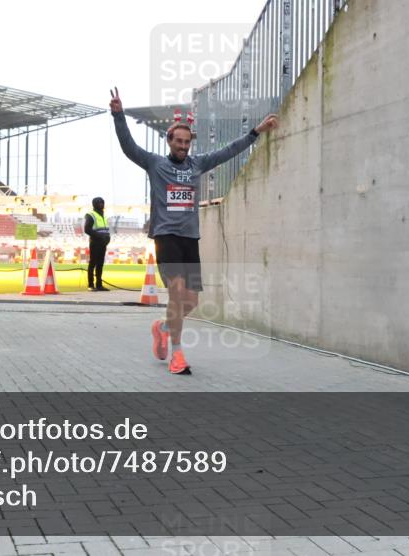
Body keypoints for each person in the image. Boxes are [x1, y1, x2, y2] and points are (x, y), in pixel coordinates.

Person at [109, 87, 278, 374]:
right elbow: (129, 147)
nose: (183, 146)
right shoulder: (155, 164)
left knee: (191, 301)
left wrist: (255, 132)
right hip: (166, 237)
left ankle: (162, 327)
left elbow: (227, 152)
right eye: (179, 141)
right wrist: (118, 116)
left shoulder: (197, 164)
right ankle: (178, 355)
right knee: (176, 293)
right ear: (169, 140)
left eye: (187, 142)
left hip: (190, 239)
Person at [84, 197, 111, 291]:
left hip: (103, 243)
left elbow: (105, 229)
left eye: (102, 202)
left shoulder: (104, 215)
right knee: (93, 263)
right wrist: (99, 236)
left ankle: (99, 284)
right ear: (94, 204)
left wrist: (107, 238)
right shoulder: (91, 215)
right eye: (99, 203)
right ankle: (91, 285)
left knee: (100, 264)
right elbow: (87, 229)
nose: (101, 204)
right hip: (95, 242)